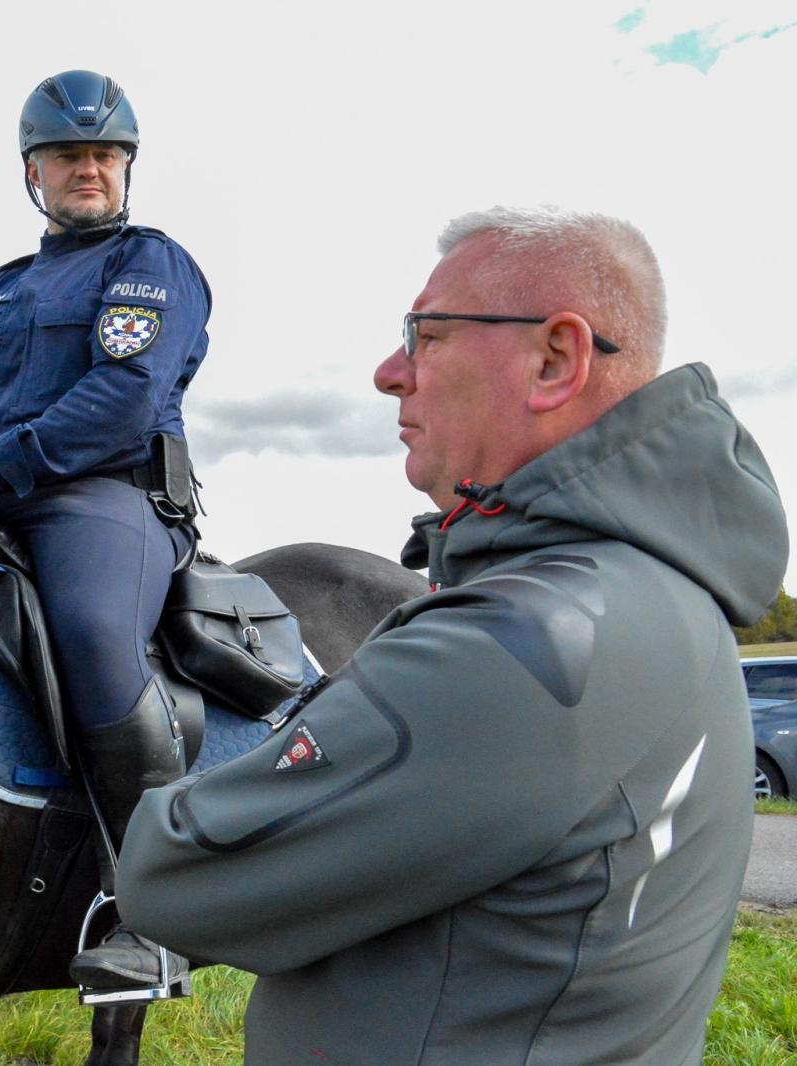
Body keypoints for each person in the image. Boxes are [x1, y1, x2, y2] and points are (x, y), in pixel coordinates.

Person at [115, 206, 790, 1062]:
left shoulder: (522, 646)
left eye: (426, 335)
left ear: (554, 360)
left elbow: (169, 876)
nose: (389, 372)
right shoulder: (668, 591)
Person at [0, 69, 212, 994]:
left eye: (103, 156)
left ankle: (157, 907)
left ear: (126, 167)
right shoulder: (2, 291)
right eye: (67, 157)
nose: (88, 169)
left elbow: (124, 399)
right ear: (32, 173)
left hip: (102, 497)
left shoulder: (149, 264)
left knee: (89, 634)